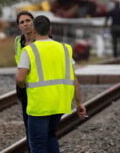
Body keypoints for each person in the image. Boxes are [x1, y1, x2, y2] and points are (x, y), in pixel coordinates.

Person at [16, 15, 87, 153]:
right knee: (50, 136)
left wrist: (23, 85)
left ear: (34, 31)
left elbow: (20, 78)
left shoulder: (29, 50)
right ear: (50, 29)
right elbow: (74, 79)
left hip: (39, 105)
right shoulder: (65, 49)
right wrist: (79, 103)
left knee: (37, 144)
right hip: (60, 103)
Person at [14, 11, 35, 142]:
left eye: (28, 20)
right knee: (28, 125)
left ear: (33, 22)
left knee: (37, 128)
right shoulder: (17, 41)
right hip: (23, 87)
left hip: (38, 88)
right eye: (22, 22)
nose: (25, 24)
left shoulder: (42, 39)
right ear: (19, 26)